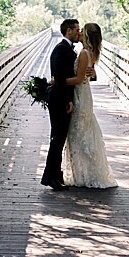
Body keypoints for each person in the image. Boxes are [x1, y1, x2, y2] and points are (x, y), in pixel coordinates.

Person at [64, 22, 117, 188]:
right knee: (84, 132)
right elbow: (89, 75)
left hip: (81, 95)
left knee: (78, 134)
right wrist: (92, 73)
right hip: (85, 94)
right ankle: (86, 173)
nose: (78, 33)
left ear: (86, 35)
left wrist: (56, 82)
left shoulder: (84, 53)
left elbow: (79, 79)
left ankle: (84, 176)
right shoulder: (91, 52)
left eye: (81, 31)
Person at [40, 17, 79, 190]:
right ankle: (50, 177)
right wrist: (68, 100)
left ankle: (56, 175)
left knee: (59, 138)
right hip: (58, 98)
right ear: (68, 31)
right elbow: (60, 79)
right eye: (76, 30)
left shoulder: (66, 49)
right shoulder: (60, 49)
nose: (79, 33)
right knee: (57, 138)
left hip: (60, 96)